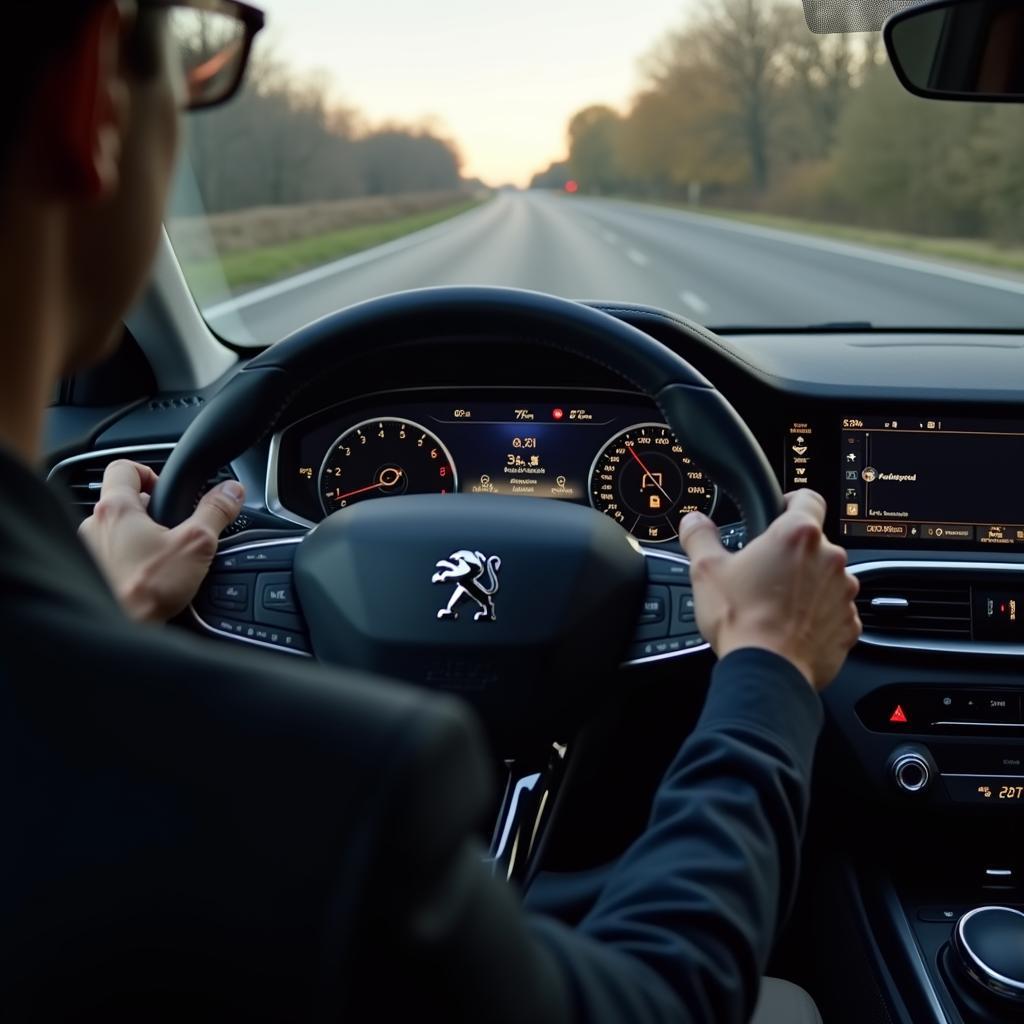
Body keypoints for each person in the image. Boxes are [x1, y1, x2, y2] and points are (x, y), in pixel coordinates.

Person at [0, 2, 861, 1020]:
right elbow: (654, 1001)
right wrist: (766, 663)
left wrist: (104, 627)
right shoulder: (349, 799)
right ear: (88, 97)